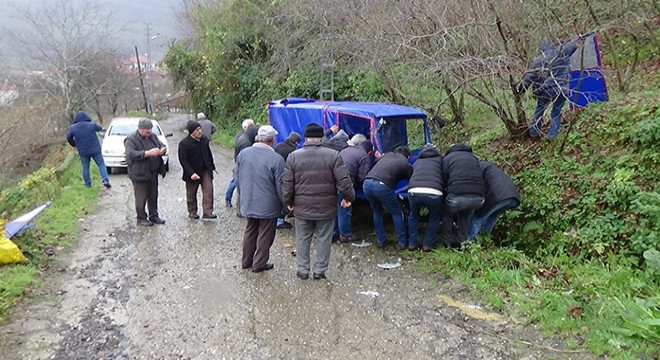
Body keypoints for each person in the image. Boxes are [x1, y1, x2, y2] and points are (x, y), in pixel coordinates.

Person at [283, 123, 355, 280]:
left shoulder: (294, 156)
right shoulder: (333, 155)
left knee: (302, 237)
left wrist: (288, 201)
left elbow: (288, 183)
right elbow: (344, 181)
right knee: (324, 238)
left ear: (306, 137)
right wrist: (349, 198)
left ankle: (303, 270)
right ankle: (319, 271)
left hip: (302, 207)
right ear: (321, 137)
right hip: (326, 207)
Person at [235, 125, 286, 273]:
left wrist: (242, 196)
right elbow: (281, 186)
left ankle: (246, 261)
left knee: (250, 230)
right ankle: (259, 263)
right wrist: (285, 206)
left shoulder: (243, 154)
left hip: (248, 200)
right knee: (265, 234)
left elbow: (238, 178)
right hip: (268, 205)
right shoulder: (277, 159)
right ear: (272, 140)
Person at [518, 37, 584, 140]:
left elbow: (528, 78)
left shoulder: (537, 61)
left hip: (545, 91)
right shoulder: (561, 52)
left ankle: (534, 133)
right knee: (556, 112)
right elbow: (573, 45)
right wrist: (579, 38)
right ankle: (552, 136)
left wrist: (521, 89)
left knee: (539, 110)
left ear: (541, 49)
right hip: (561, 88)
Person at [363, 146, 412, 249]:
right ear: (408, 157)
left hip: (366, 183)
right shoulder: (405, 164)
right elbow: (411, 180)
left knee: (377, 211)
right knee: (396, 212)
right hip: (382, 185)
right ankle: (402, 242)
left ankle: (380, 240)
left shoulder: (386, 156)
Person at [440, 144, 484, 248]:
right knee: (465, 215)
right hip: (478, 197)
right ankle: (463, 243)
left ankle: (447, 242)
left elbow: (444, 176)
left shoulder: (448, 158)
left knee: (448, 214)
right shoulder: (474, 158)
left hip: (457, 195)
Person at [124, 118, 167, 226]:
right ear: (140, 129)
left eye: (150, 129)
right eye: (147, 129)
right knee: (141, 197)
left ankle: (154, 216)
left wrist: (162, 149)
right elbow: (131, 154)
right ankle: (141, 217)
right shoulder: (131, 139)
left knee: (153, 195)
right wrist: (147, 153)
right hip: (139, 173)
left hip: (153, 172)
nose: (150, 131)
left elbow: (161, 144)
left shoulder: (153, 136)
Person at [468, 160, 520, 241]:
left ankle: (470, 243)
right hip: (513, 196)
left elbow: (477, 187)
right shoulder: (489, 167)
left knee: (478, 217)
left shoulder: (478, 168)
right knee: (491, 217)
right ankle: (485, 240)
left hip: (499, 196)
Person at [335, 134, 372, 242]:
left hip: (331, 180)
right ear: (369, 152)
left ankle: (332, 233)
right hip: (344, 183)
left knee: (334, 208)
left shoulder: (345, 150)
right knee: (344, 208)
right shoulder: (364, 156)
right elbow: (362, 178)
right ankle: (345, 235)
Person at [407, 144, 444, 252]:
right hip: (434, 191)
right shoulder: (440, 160)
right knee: (434, 217)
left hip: (414, 190)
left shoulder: (418, 161)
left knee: (413, 215)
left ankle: (412, 244)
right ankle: (427, 244)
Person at [178, 121, 217, 220]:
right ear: (192, 132)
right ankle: (192, 212)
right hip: (192, 172)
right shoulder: (184, 144)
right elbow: (183, 161)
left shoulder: (204, 139)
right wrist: (191, 173)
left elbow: (208, 153)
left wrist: (212, 166)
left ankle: (208, 212)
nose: (200, 131)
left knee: (208, 191)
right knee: (191, 194)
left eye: (200, 129)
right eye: (197, 130)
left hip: (205, 170)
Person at [65, 111, 111, 189]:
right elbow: (100, 128)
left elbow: (68, 137)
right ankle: (105, 180)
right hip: (95, 149)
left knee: (85, 166)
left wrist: (74, 144)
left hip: (83, 151)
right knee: (101, 164)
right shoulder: (91, 125)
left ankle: (87, 184)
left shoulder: (73, 127)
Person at [225, 119, 257, 208]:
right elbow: (244, 157)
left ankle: (229, 198)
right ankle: (228, 198)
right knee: (235, 181)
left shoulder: (240, 135)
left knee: (235, 180)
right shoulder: (245, 141)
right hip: (239, 163)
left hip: (237, 160)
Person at [273, 131, 302, 229]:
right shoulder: (292, 152)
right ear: (295, 142)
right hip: (285, 177)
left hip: (274, 174)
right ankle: (280, 219)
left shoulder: (278, 146)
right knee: (285, 196)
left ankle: (277, 217)